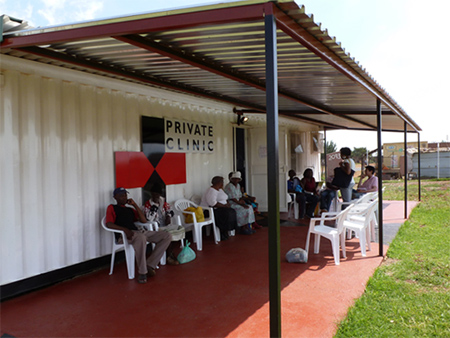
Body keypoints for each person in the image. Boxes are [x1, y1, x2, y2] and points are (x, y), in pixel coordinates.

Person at [105, 187, 172, 284]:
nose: (124, 197)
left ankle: (150, 264)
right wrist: (125, 230)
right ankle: (142, 272)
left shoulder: (130, 210)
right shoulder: (112, 207)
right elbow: (109, 224)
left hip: (137, 233)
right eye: (121, 196)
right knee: (141, 238)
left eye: (125, 195)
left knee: (166, 236)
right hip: (124, 236)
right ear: (115, 197)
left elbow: (144, 220)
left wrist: (134, 205)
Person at [143, 184, 180, 266]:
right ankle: (168, 256)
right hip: (154, 226)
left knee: (177, 231)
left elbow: (171, 210)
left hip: (165, 224)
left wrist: (168, 216)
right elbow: (149, 219)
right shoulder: (148, 204)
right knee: (168, 234)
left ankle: (170, 253)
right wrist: (155, 205)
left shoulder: (163, 202)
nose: (155, 196)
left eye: (157, 194)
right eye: (154, 194)